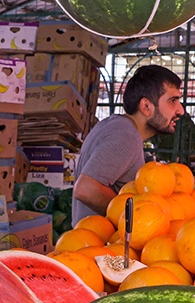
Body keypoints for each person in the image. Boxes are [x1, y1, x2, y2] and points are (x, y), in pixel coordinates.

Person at [71, 64, 184, 225]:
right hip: (97, 245)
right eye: (172, 101)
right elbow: (85, 189)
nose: (180, 110)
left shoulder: (115, 125)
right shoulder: (125, 135)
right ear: (146, 106)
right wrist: (134, 218)